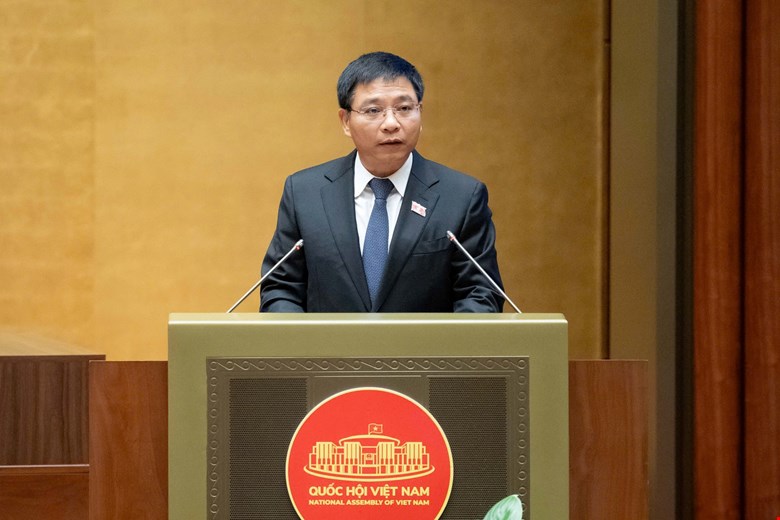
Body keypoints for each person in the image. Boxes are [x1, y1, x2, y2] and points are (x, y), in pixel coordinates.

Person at [260, 51, 504, 312]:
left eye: (404, 108)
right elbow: (280, 288)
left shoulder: (462, 197)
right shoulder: (304, 193)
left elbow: (481, 294)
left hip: (425, 342)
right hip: (327, 341)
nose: (391, 123)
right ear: (345, 121)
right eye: (373, 110)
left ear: (420, 113)